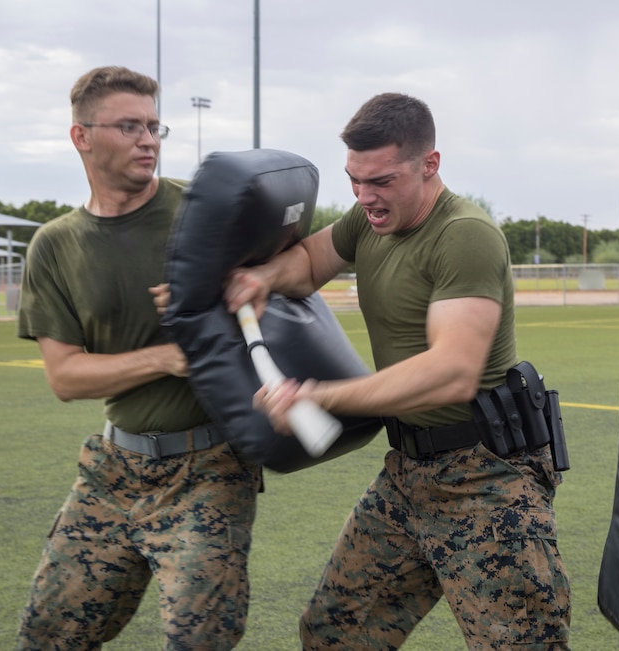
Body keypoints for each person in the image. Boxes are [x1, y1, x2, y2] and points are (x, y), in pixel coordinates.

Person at [224, 92, 570, 650]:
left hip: (485, 480)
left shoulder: (465, 235)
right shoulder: (367, 222)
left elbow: (451, 372)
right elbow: (310, 262)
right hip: (407, 471)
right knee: (336, 632)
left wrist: (318, 396)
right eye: (354, 180)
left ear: (429, 164)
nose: (365, 197)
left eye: (380, 180)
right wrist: (261, 278)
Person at [16, 66, 260, 650]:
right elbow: (66, 376)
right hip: (111, 471)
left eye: (154, 126)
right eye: (129, 126)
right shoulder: (54, 245)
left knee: (200, 639)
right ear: (82, 136)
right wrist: (170, 357)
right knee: (47, 635)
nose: (147, 139)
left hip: (209, 470)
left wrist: (240, 290)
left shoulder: (203, 212)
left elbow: (289, 291)